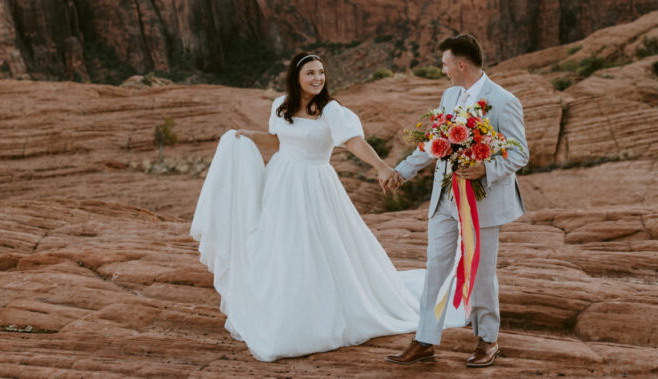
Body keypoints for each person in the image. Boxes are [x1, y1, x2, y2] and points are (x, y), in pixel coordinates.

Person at [190, 52, 452, 361]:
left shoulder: (332, 111)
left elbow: (354, 142)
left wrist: (382, 167)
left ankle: (318, 315)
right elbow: (280, 141)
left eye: (321, 73)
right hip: (280, 182)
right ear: (296, 78)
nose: (317, 78)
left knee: (318, 246)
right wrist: (248, 136)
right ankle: (278, 309)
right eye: (310, 73)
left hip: (315, 185)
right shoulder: (280, 106)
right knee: (277, 246)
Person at [384, 33, 528, 368]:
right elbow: (434, 141)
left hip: (483, 202)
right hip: (444, 200)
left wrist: (485, 168)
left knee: (480, 273)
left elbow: (520, 152)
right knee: (435, 268)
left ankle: (487, 340)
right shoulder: (449, 96)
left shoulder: (504, 101)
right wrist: (402, 171)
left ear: (461, 64)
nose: (443, 69)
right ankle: (424, 340)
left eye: (445, 64)